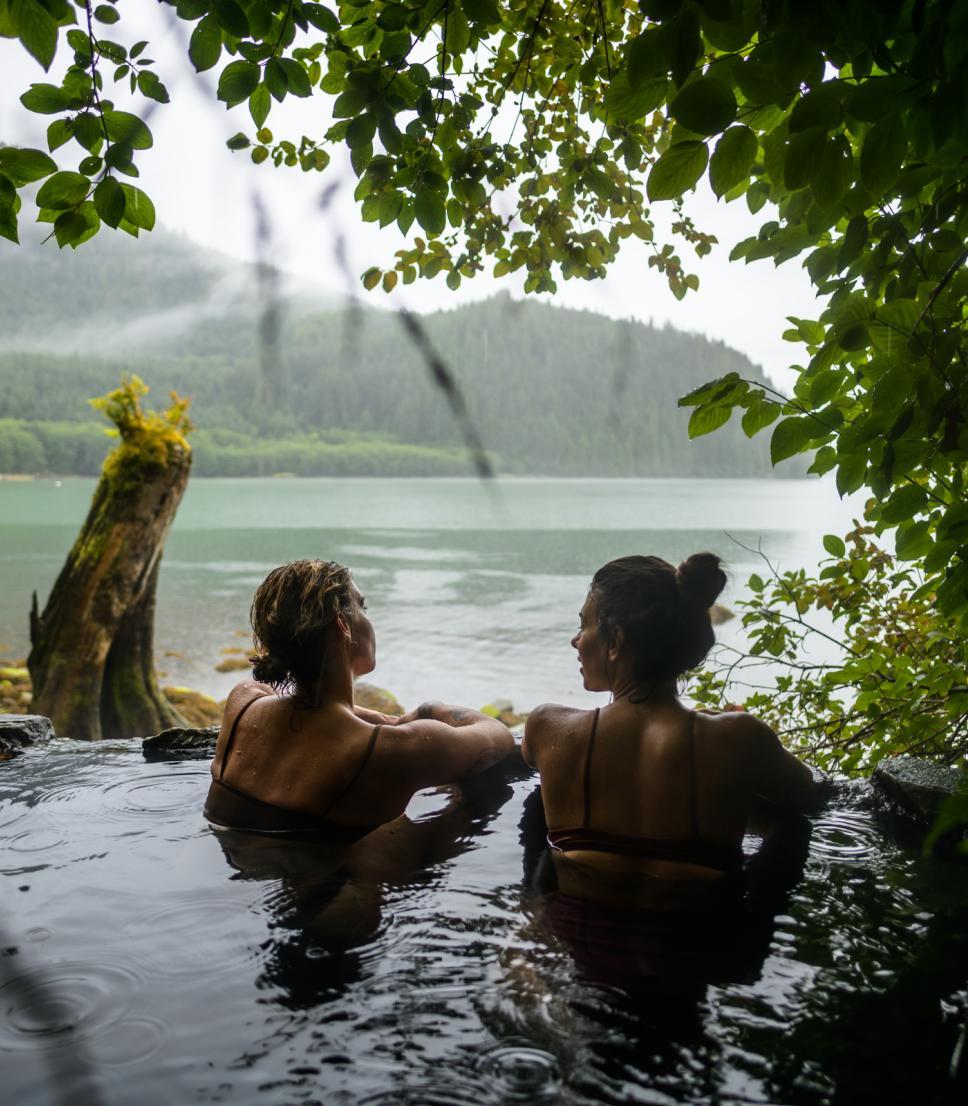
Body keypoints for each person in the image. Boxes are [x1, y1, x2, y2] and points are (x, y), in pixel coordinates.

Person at [521, 552, 817, 914]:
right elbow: (806, 791)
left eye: (584, 625)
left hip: (571, 948)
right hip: (699, 957)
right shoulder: (741, 739)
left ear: (615, 640)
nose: (576, 640)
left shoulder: (549, 729)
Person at [204, 558, 514, 838]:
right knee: (476, 800)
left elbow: (313, 712)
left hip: (237, 865)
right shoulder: (388, 748)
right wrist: (428, 709)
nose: (368, 620)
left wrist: (379, 719)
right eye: (362, 608)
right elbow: (497, 736)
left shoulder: (243, 702)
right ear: (343, 626)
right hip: (332, 885)